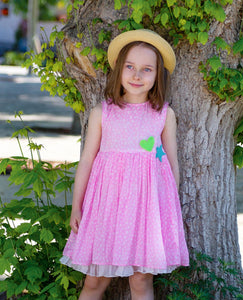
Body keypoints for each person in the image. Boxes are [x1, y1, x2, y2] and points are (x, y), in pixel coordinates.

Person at [60, 29, 189, 300]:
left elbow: (171, 165)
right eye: (130, 66)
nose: (137, 75)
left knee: (141, 281)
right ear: (119, 69)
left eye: (146, 69)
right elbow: (86, 162)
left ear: (157, 76)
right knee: (94, 282)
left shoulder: (164, 115)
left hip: (146, 214)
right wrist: (77, 205)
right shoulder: (102, 113)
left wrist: (168, 212)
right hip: (106, 210)